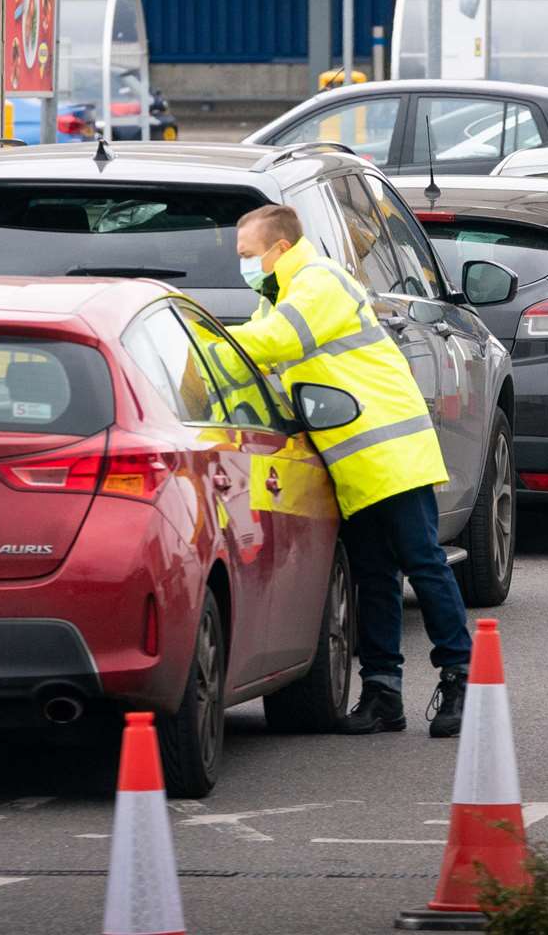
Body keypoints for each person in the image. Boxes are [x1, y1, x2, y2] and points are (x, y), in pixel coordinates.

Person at [223, 203, 472, 738]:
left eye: (247, 254)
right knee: (374, 577)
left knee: (423, 563)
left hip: (390, 454)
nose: (242, 263)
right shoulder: (280, 296)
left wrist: (202, 345)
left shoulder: (317, 282)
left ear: (279, 249)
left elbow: (269, 345)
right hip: (354, 464)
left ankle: (461, 679)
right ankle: (383, 694)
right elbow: (256, 364)